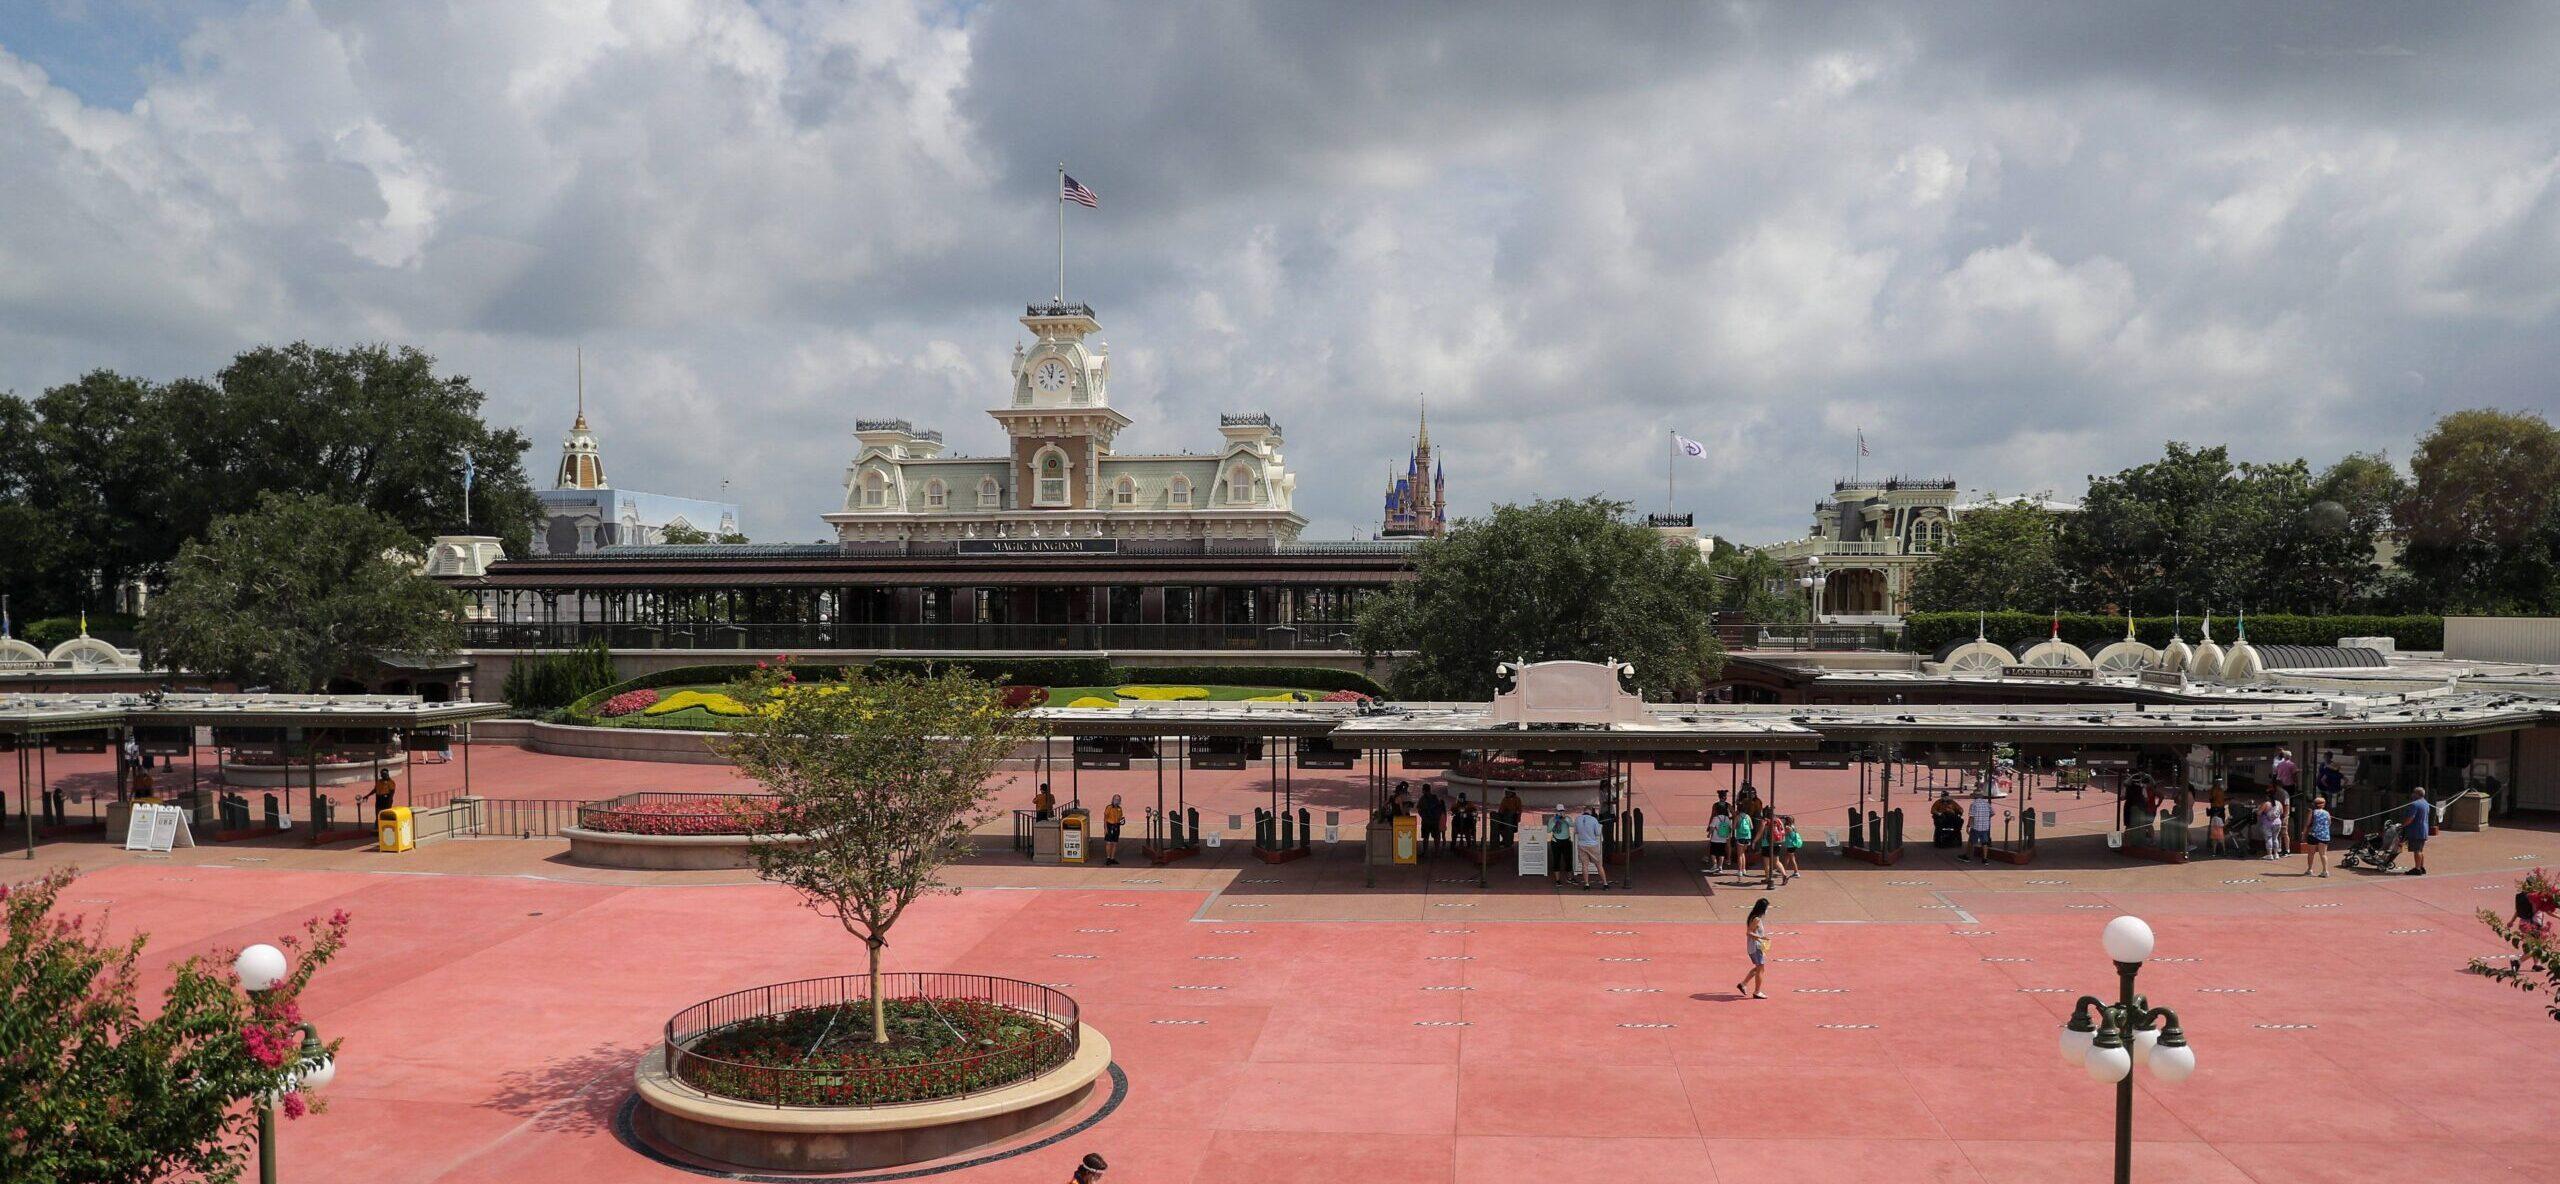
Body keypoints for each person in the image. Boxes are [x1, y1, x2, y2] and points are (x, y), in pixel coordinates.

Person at [1735, 897, 1772, 999]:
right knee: (1760, 969)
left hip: (1755, 947)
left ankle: (1743, 984)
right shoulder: (1756, 919)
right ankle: (1757, 991)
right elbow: (1749, 932)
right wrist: (1761, 937)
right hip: (1756, 947)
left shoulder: (1753, 917)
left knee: (1758, 968)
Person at [1571, 804, 1609, 889]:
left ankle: (1586, 884)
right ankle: (1605, 883)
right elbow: (1598, 833)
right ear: (1591, 812)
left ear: (1584, 811)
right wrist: (1599, 826)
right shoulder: (1594, 820)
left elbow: (1576, 831)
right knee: (1599, 865)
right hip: (1592, 844)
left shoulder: (1577, 819)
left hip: (1582, 844)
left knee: (1585, 865)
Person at [2401, 787, 2432, 876]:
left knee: (2417, 850)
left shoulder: (2415, 804)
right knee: (2420, 850)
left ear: (2417, 794)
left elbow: (2411, 818)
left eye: (2413, 793)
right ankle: (2421, 867)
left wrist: (2403, 825)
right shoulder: (2426, 804)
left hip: (2416, 830)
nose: (2412, 794)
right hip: (2424, 829)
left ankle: (2417, 869)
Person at [2301, 796, 2332, 877]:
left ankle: (2310, 869)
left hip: (2313, 834)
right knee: (2323, 854)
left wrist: (2304, 834)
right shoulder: (2327, 813)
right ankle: (2325, 871)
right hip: (2325, 835)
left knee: (2311, 853)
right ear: (2323, 804)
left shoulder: (2312, 812)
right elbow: (2329, 823)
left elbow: (2307, 824)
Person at [1962, 790, 1994, 863]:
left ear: (1974, 796)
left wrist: (1968, 826)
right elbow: (1992, 813)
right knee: (1984, 842)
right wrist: (1985, 817)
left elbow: (1971, 816)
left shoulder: (1974, 804)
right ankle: (1985, 859)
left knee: (1971, 842)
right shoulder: (1987, 803)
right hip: (1985, 826)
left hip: (1976, 826)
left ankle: (1968, 856)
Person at [1418, 786, 1446, 854]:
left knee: (1426, 837)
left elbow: (1419, 809)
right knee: (1436, 837)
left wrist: (1423, 817)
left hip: (1426, 821)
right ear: (1430, 790)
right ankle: (1437, 852)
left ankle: (1425, 852)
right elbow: (1440, 808)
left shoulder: (1422, 799)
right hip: (1435, 821)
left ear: (1424, 790)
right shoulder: (1435, 798)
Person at [2206, 777, 2229, 857]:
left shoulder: (2220, 790)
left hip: (2220, 807)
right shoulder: (2215, 790)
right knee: (2216, 824)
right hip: (2216, 808)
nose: (2221, 783)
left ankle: (2218, 846)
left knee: (2219, 825)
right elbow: (2211, 799)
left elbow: (2221, 799)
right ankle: (2214, 844)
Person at [1708, 807, 1733, 876]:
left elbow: (1712, 827)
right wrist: (1728, 836)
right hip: (1723, 838)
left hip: (1715, 838)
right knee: (1721, 853)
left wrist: (1709, 834)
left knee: (1713, 852)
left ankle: (1714, 864)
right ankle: (1720, 867)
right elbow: (1730, 828)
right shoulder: (1727, 819)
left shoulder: (1715, 818)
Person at [1102, 795, 1125, 866]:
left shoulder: (1119, 809)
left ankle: (1112, 858)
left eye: (1118, 800)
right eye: (1115, 799)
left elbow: (1121, 817)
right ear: (1112, 799)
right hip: (1109, 825)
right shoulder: (1109, 807)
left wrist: (1122, 821)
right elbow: (1105, 818)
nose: (1117, 801)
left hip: (1116, 826)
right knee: (1108, 843)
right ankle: (1108, 858)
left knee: (1115, 843)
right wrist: (1105, 828)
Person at [1732, 807, 1755, 878]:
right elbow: (1752, 827)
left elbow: (1733, 827)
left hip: (1740, 837)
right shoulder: (1748, 816)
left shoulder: (1737, 817)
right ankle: (1744, 869)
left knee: (1739, 855)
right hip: (1747, 837)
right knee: (1743, 854)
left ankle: (1740, 871)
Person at [1781, 814, 1806, 880]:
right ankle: (1783, 869)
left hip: (1790, 844)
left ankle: (1796, 872)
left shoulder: (1788, 827)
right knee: (1787, 857)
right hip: (1791, 844)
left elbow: (1784, 834)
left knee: (1792, 858)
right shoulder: (1793, 826)